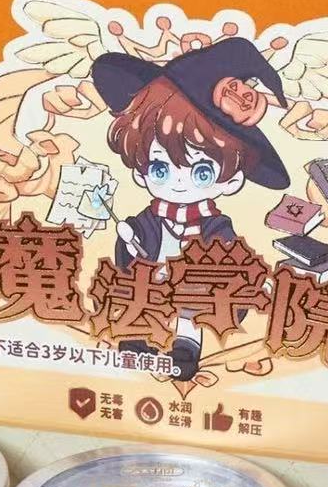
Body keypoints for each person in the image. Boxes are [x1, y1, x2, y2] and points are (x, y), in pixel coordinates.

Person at [91, 37, 290, 379]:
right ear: (140, 171)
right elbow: (135, 248)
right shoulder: (151, 220)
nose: (179, 183)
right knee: (142, 302)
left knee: (191, 316)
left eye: (201, 173)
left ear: (231, 181)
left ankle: (185, 351)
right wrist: (129, 238)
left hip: (194, 289)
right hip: (152, 283)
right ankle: (137, 341)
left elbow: (229, 263)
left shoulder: (215, 227)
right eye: (159, 168)